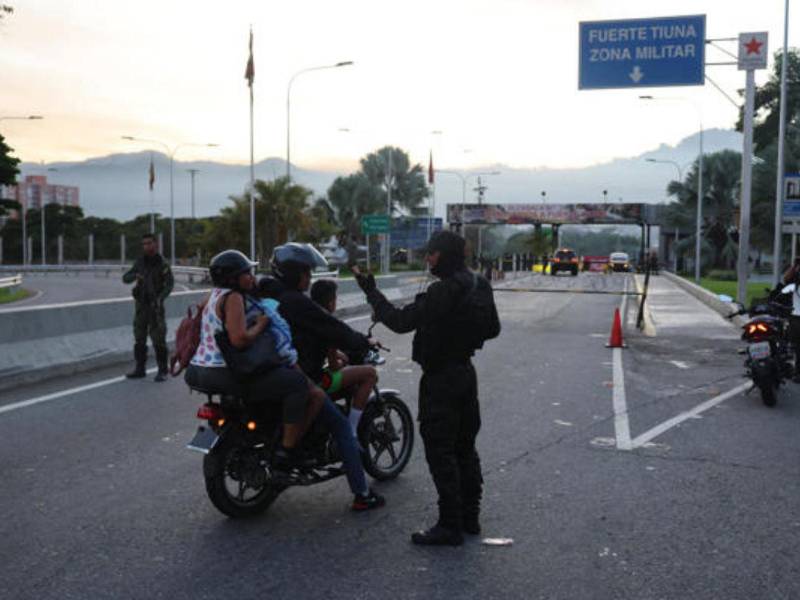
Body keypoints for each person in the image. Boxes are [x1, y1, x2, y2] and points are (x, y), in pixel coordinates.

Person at [355, 230, 500, 546]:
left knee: (440, 450)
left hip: (441, 379)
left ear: (444, 254)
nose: (428, 259)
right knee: (464, 448)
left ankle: (449, 524)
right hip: (465, 372)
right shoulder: (480, 284)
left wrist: (371, 292)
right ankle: (469, 518)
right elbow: (493, 329)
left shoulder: (442, 292)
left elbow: (399, 321)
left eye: (432, 253)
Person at [263, 243, 385, 511]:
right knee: (342, 428)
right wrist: (363, 343)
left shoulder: (265, 292)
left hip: (269, 374)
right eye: (305, 271)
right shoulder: (295, 302)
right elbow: (334, 328)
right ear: (294, 273)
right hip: (302, 376)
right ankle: (363, 495)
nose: (308, 278)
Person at [183, 250, 322, 467]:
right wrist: (261, 325)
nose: (251, 277)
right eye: (246, 273)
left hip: (197, 371)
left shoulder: (213, 294)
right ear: (233, 278)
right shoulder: (234, 298)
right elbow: (239, 340)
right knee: (297, 385)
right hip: (222, 372)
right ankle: (286, 451)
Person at [310, 278, 379, 436]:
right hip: (320, 381)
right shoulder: (327, 321)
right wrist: (341, 362)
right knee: (369, 373)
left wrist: (341, 356)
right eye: (335, 298)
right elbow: (334, 365)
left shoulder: (308, 315)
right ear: (330, 301)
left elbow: (327, 349)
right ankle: (352, 429)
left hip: (306, 375)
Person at [123, 233, 174, 382]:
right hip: (141, 306)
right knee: (139, 338)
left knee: (158, 339)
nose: (146, 246)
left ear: (155, 244)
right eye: (144, 244)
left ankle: (163, 370)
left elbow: (170, 284)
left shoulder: (162, 263)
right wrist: (136, 276)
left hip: (155, 306)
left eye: (149, 243)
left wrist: (160, 298)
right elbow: (125, 278)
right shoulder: (140, 263)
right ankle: (140, 369)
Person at [780, 260, 800, 382]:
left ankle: (797, 372)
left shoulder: (795, 283)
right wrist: (795, 265)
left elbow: (786, 278)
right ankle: (797, 372)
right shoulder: (795, 283)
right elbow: (786, 278)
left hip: (796, 317)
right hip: (796, 317)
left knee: (798, 347)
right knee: (797, 347)